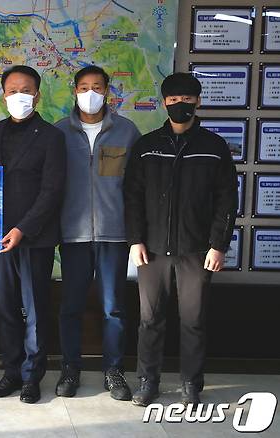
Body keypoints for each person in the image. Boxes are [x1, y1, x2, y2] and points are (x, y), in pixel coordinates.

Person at [124, 72, 237, 407]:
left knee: (194, 320)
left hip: (197, 249)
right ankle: (147, 381)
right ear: (164, 103)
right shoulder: (147, 146)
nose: (180, 105)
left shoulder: (214, 147)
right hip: (153, 249)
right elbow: (132, 196)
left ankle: (191, 383)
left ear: (198, 101)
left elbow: (227, 199)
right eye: (173, 101)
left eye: (187, 99)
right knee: (150, 320)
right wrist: (135, 239)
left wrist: (219, 244)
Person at [54, 65, 140, 401]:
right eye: (84, 86)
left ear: (108, 91)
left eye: (98, 86)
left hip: (114, 235)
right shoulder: (59, 132)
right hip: (72, 234)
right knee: (70, 307)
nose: (91, 93)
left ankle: (114, 371)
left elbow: (135, 187)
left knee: (113, 308)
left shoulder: (127, 132)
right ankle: (69, 369)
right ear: (74, 90)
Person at [0, 65, 66, 404]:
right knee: (5, 308)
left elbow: (52, 190)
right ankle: (11, 372)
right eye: (13, 90)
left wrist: (22, 229)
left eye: (27, 90)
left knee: (34, 310)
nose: (20, 96)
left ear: (38, 95)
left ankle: (33, 376)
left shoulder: (52, 136)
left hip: (35, 237)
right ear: (4, 96)